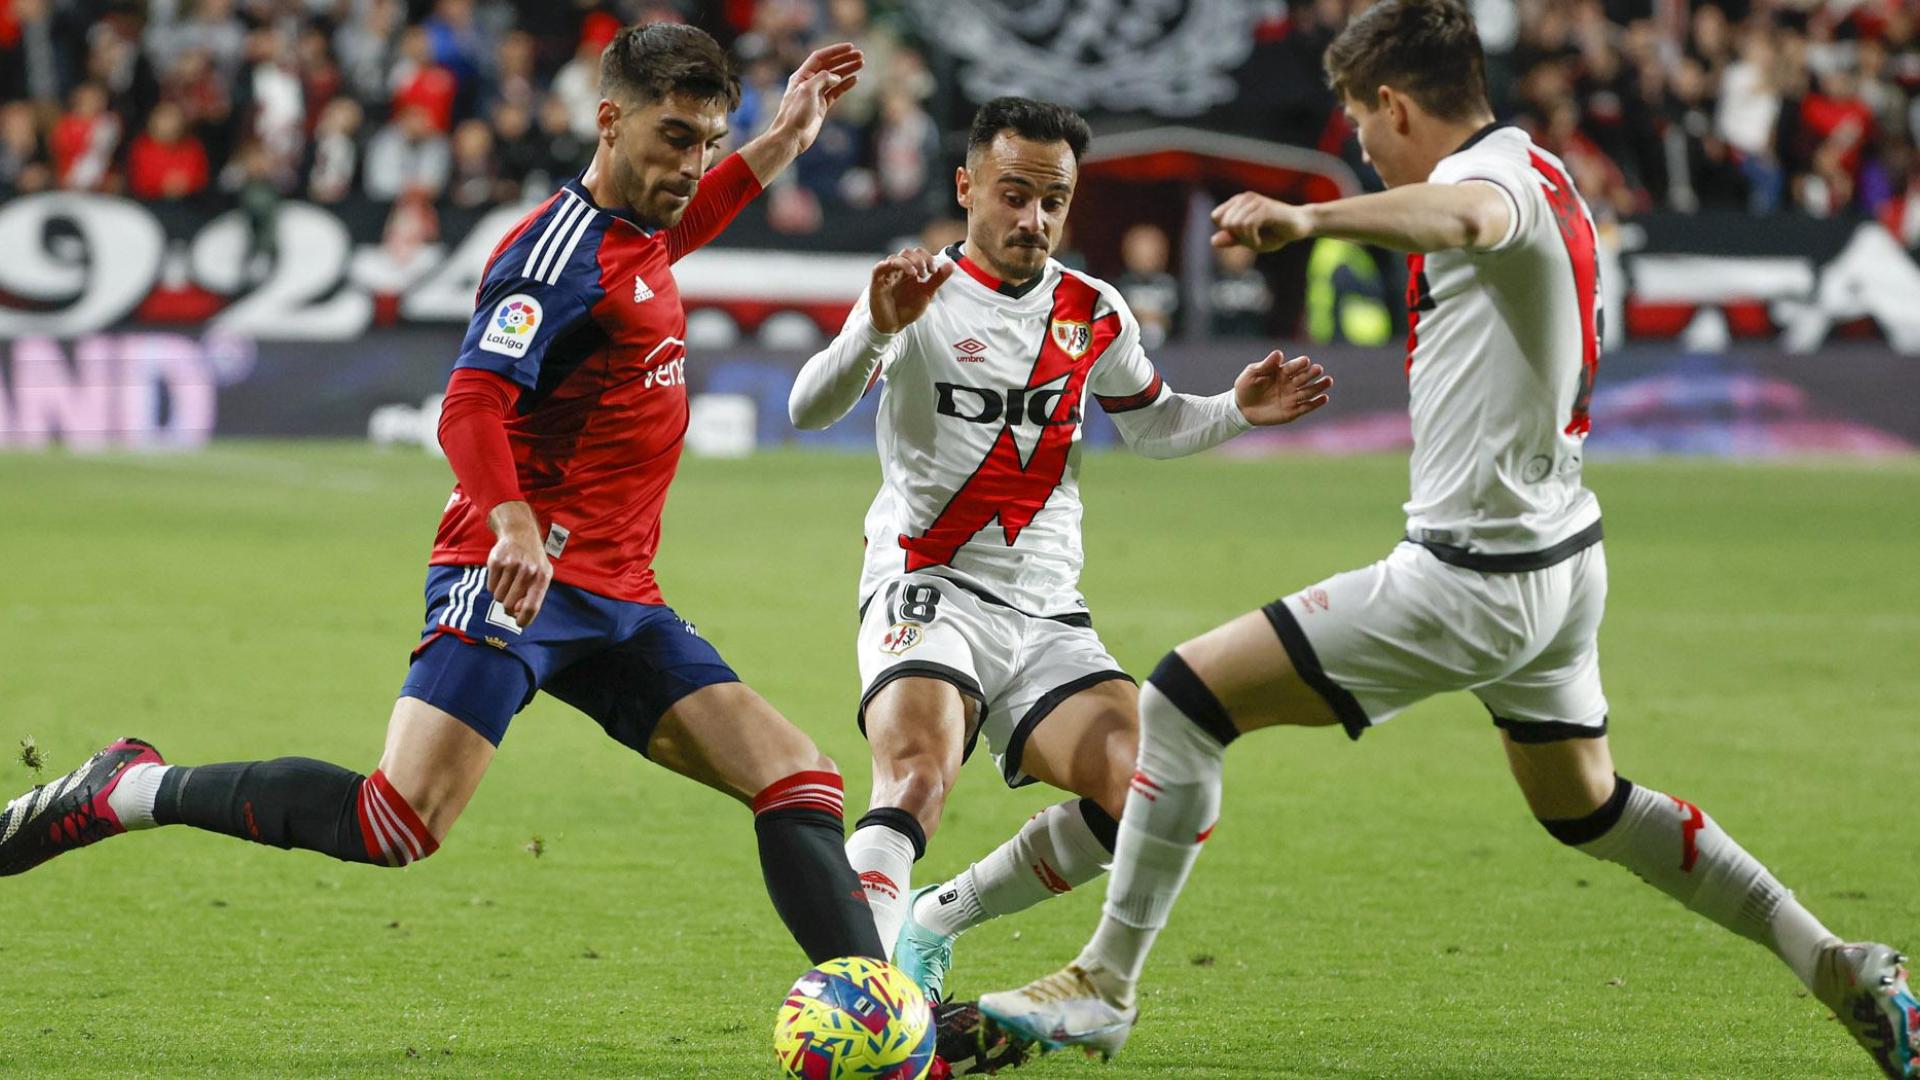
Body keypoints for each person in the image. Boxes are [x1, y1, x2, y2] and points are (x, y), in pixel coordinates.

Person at [977, 5, 1917, 1077]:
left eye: (1360, 126)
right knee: (1588, 805)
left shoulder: (1497, 186)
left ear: (1396, 106)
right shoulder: (1546, 167)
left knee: (1183, 699)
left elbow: (1469, 220)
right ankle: (1832, 957)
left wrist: (1317, 220)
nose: (1360, 150)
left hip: (1473, 575)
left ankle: (1103, 984)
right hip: (1561, 559)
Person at [1, 21, 884, 979]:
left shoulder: (639, 235)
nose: (692, 163)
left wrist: (784, 140)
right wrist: (511, 523)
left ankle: (888, 1022)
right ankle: (133, 789)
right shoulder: (553, 258)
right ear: (608, 121)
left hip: (619, 595)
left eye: (708, 141)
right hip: (511, 581)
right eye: (676, 137)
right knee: (393, 822)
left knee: (798, 778)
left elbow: (684, 222)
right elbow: (470, 400)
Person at [787, 96, 1332, 1009]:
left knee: (1147, 791)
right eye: (1012, 195)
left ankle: (940, 917)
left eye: (1053, 200)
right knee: (917, 772)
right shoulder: (916, 296)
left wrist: (1236, 408)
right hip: (929, 586)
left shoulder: (1093, 310)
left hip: (1045, 612)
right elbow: (809, 406)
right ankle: (871, 1003)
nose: (1032, 221)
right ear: (967, 187)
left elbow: (1153, 425)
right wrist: (874, 327)